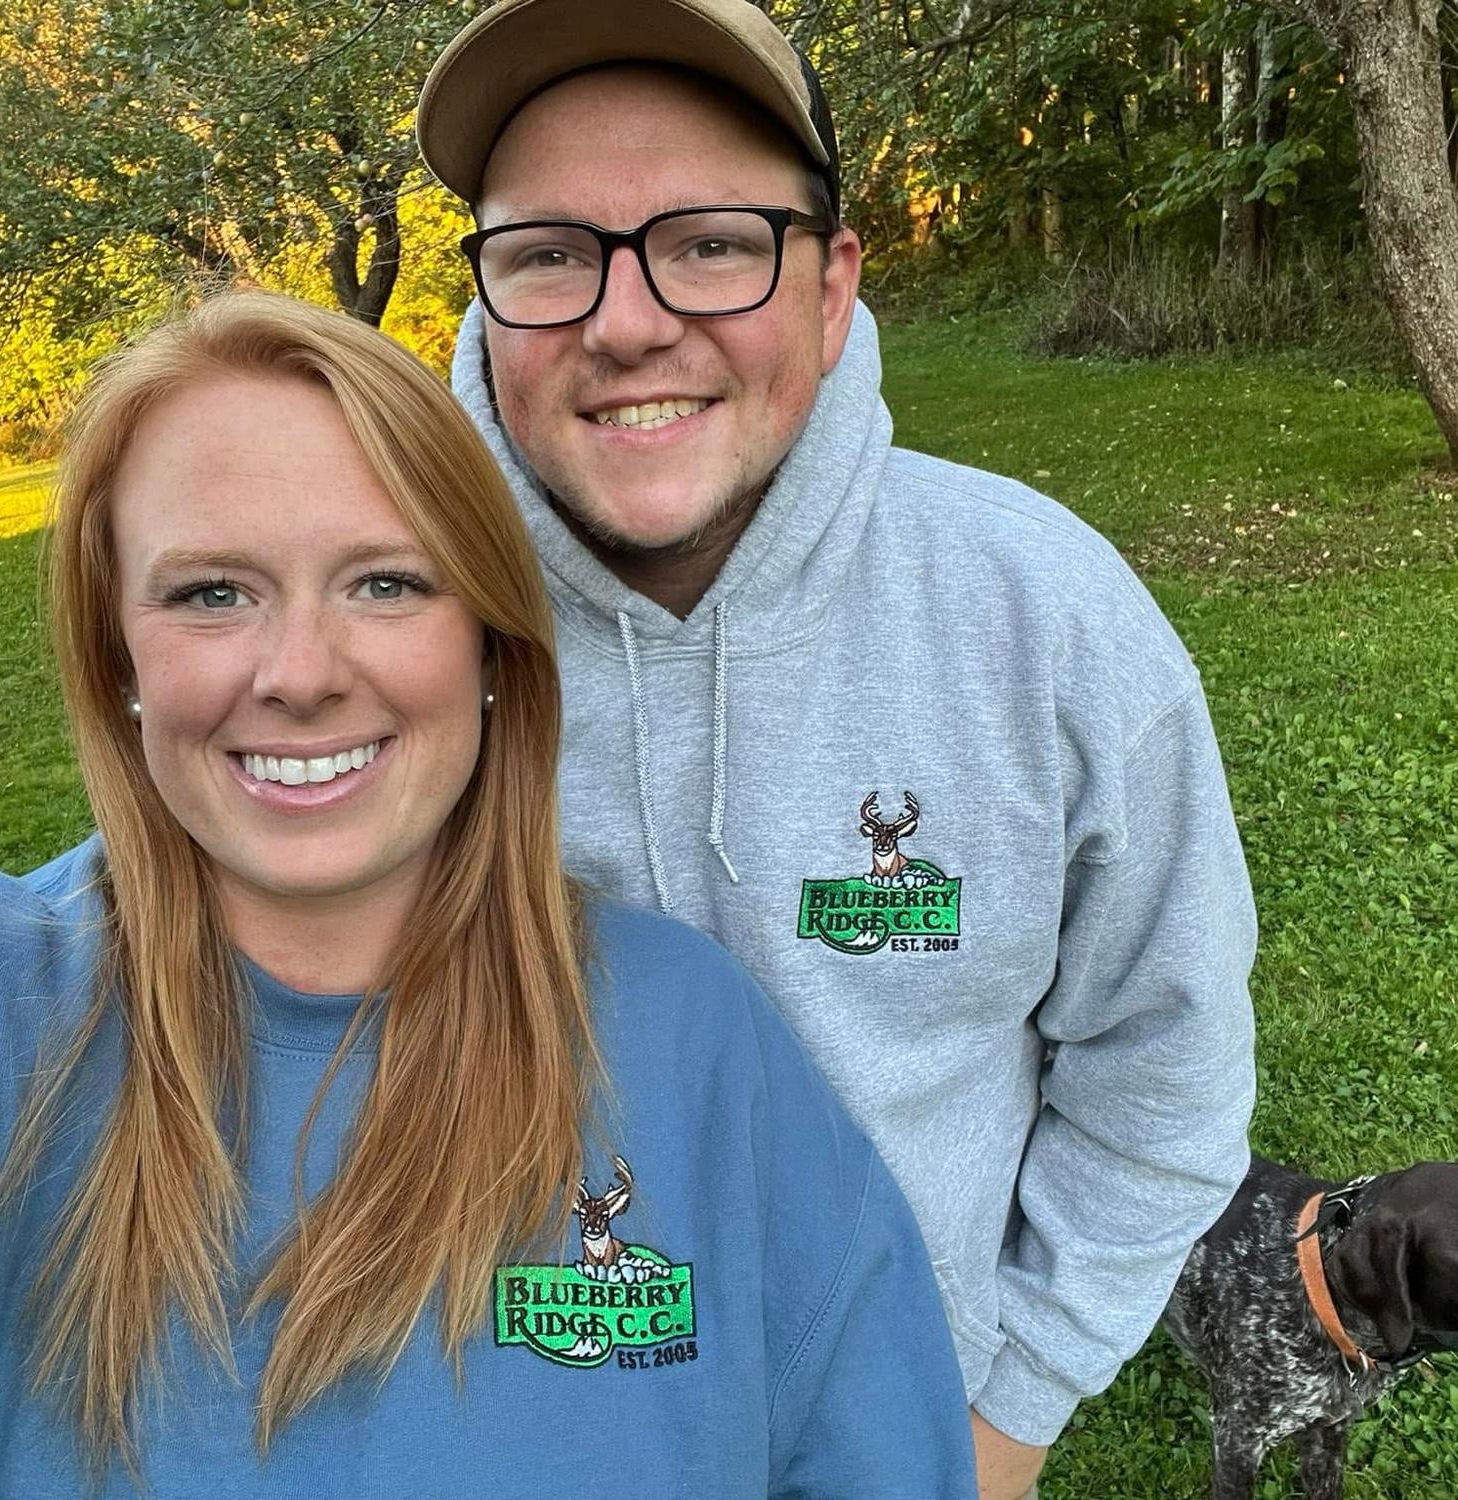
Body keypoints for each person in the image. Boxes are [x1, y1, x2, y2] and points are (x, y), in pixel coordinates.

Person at [414, 3, 1259, 1496]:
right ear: (484, 300)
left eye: (712, 243)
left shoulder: (1049, 622)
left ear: (830, 284)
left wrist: (1001, 1426)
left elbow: (1166, 1065)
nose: (626, 321)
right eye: (549, 252)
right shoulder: (379, 636)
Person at [0, 292, 978, 1498]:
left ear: (490, 645)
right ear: (117, 655)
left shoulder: (696, 1040)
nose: (300, 674)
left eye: (388, 583)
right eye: (211, 594)